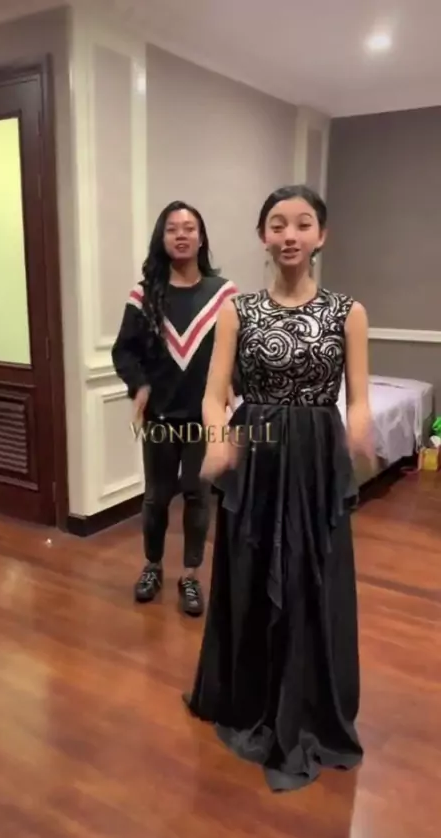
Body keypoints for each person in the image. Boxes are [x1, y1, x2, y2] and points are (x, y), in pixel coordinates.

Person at [183, 185, 373, 790]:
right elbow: (214, 394)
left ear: (322, 236)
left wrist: (361, 426)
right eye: (277, 224)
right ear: (263, 236)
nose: (290, 235)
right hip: (256, 456)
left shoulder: (348, 312)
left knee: (310, 578)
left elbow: (359, 398)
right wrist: (217, 437)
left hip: (315, 460)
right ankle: (250, 696)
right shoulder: (237, 310)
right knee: (251, 571)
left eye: (303, 223)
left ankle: (310, 704)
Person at [112, 201, 238, 616]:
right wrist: (140, 384)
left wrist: (233, 385)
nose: (181, 235)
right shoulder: (144, 294)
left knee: (198, 495)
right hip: (160, 418)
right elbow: (124, 351)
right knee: (156, 498)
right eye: (172, 229)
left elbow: (238, 350)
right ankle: (152, 566)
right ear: (162, 238)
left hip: (204, 418)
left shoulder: (224, 295)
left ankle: (190, 575)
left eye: (189, 228)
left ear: (201, 238)